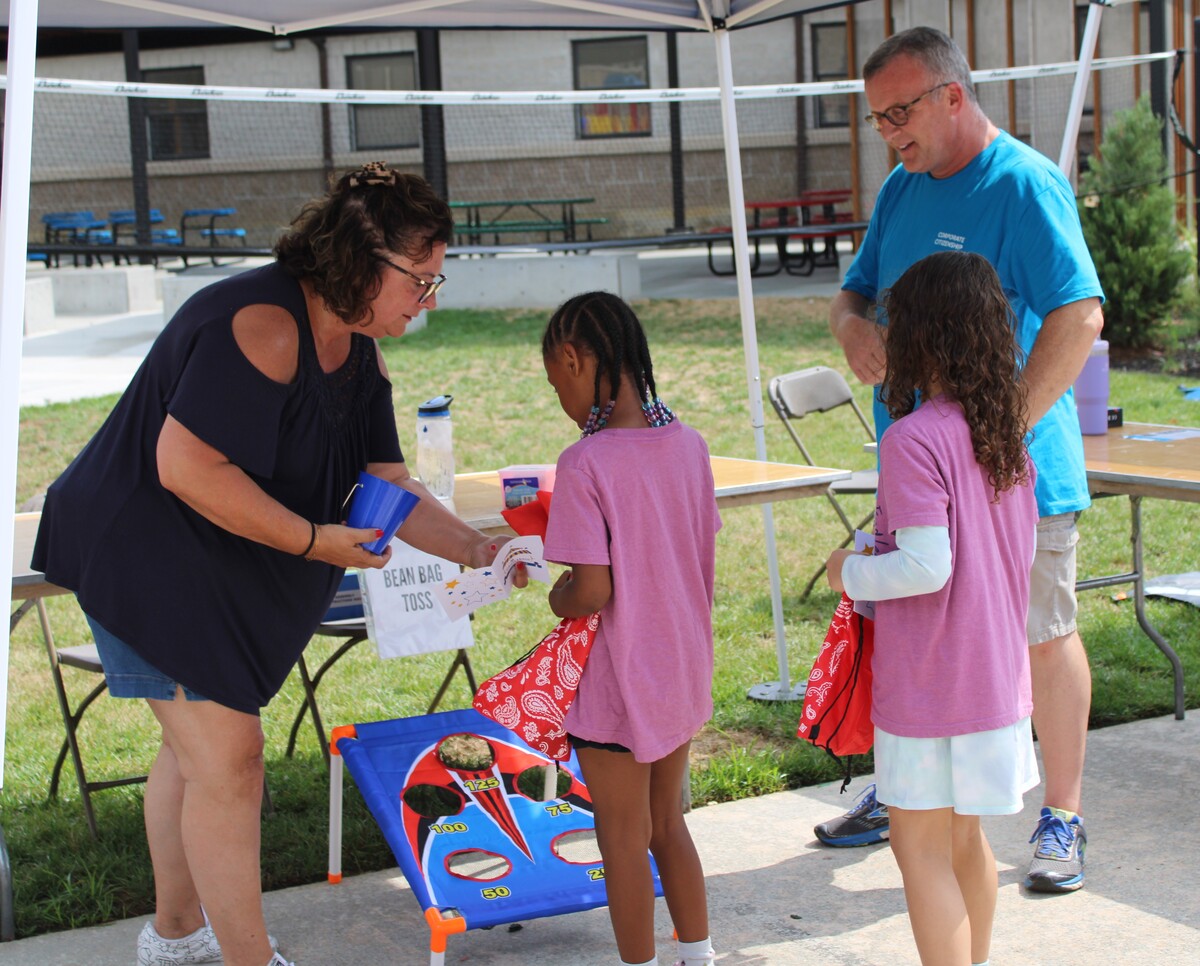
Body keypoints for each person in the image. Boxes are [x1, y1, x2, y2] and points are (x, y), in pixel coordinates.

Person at [32, 163, 524, 966]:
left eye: (435, 282)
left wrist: (477, 547)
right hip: (141, 545)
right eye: (420, 280)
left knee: (194, 755)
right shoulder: (264, 324)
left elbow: (386, 483)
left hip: (208, 549)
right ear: (364, 259)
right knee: (228, 760)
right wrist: (311, 540)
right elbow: (185, 468)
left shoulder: (360, 350)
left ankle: (174, 935)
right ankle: (248, 960)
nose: (427, 300)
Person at [822, 25, 1103, 895]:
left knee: (1038, 636)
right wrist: (854, 327)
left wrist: (997, 432)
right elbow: (851, 293)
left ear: (953, 95)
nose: (890, 134)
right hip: (916, 471)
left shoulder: (1024, 185)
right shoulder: (904, 188)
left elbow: (1079, 315)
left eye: (900, 112)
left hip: (1014, 478)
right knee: (916, 629)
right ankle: (906, 787)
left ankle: (1061, 816)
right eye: (877, 120)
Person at [826, 250, 1041, 966]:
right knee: (965, 842)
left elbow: (926, 567)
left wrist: (849, 570)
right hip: (996, 683)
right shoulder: (1006, 436)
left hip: (931, 690)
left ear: (922, 336)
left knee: (917, 851)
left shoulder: (913, 439)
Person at [540, 292, 721, 966]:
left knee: (620, 835)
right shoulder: (690, 445)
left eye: (556, 381)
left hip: (615, 682)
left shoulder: (584, 463)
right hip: (678, 666)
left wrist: (558, 594)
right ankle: (698, 955)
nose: (559, 394)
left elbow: (591, 591)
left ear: (572, 359)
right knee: (667, 824)